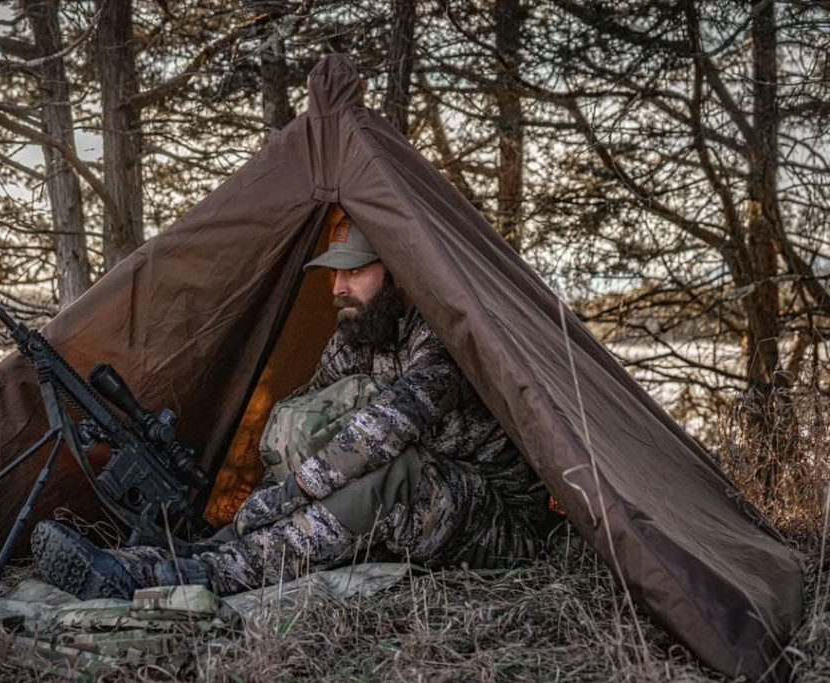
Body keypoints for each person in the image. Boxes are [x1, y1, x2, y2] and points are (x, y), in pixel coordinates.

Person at [31, 209, 550, 598]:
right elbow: (297, 430)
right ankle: (164, 562)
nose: (339, 287)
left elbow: (387, 427)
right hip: (416, 511)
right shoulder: (352, 341)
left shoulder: (439, 342)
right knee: (315, 438)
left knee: (396, 472)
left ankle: (202, 575)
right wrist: (248, 513)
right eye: (334, 274)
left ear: (396, 276)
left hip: (500, 522)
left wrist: (287, 497)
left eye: (357, 272)